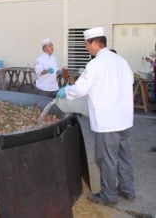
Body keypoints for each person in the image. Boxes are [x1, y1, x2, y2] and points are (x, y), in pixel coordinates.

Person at [56, 27, 135, 206]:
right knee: (125, 156)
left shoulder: (96, 64)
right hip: (124, 119)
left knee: (107, 158)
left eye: (87, 45)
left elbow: (80, 89)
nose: (86, 49)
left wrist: (66, 91)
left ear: (94, 43)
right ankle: (128, 190)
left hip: (108, 120)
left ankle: (108, 195)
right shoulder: (121, 61)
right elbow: (129, 83)